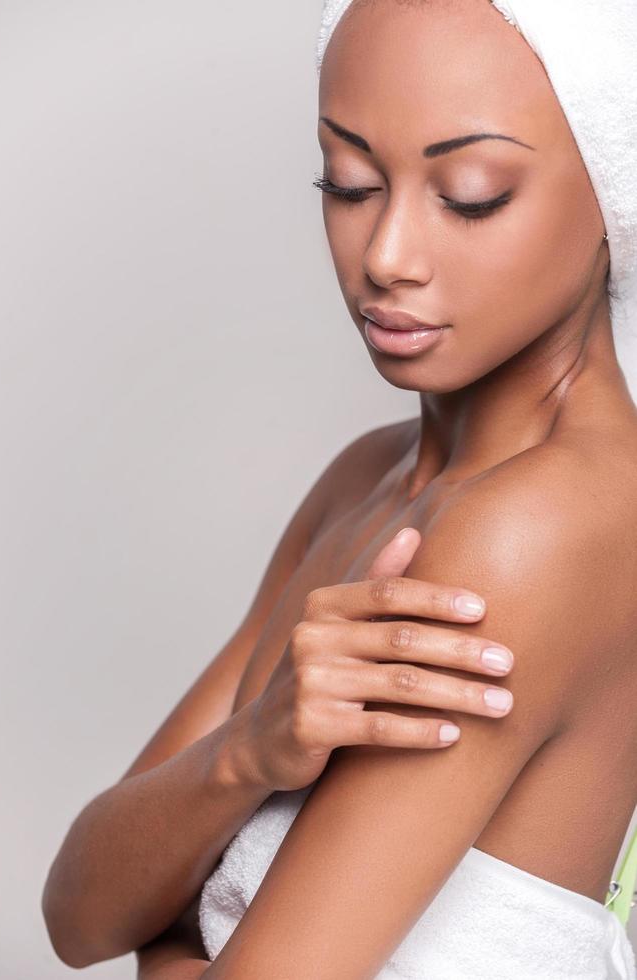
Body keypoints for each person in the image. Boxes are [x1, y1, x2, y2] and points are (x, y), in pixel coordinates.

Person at [42, 1, 637, 977]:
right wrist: (251, 749)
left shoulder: (535, 530)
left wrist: (181, 929)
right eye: (349, 180)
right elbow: (82, 910)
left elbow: (179, 934)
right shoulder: (368, 479)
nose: (386, 257)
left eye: (472, 193)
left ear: (614, 191)